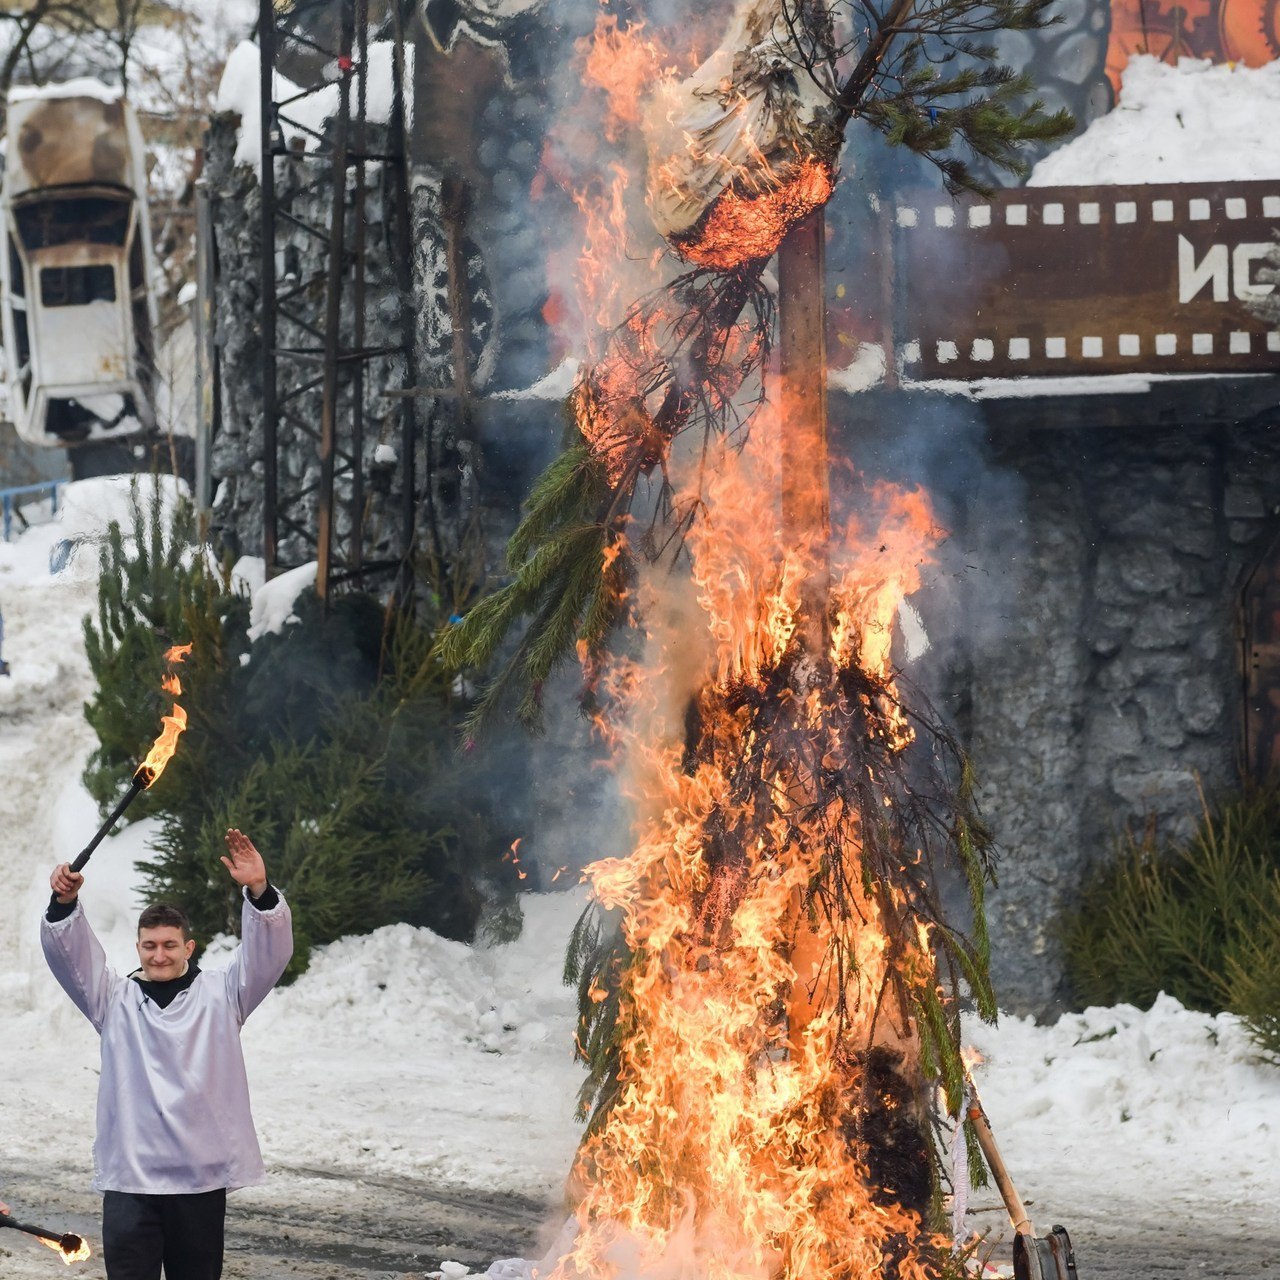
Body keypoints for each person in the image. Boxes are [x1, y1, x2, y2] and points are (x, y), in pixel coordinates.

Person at [41, 828, 293, 1280]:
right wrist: (64, 902)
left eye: (169, 945)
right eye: (150, 945)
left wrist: (259, 889)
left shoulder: (223, 995)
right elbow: (71, 958)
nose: (159, 955)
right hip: (130, 1180)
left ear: (188, 947)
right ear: (138, 947)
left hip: (199, 1181)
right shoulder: (111, 999)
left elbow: (268, 957)